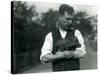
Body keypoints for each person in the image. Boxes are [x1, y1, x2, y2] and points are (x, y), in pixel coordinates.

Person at [40, 4, 86, 72]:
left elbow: (82, 52)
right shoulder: (50, 35)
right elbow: (44, 57)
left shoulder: (76, 32)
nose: (70, 22)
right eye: (67, 19)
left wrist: (72, 54)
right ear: (59, 17)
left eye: (71, 19)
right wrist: (61, 56)